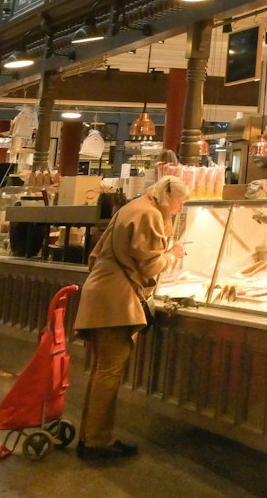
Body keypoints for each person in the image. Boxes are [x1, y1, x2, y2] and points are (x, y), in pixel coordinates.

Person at [73, 175, 191, 460]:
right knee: (109, 372)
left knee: (101, 370)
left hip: (102, 293)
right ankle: (97, 443)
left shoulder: (133, 207)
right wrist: (174, 254)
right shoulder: (149, 214)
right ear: (168, 196)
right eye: (180, 202)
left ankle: (89, 437)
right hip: (116, 301)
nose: (180, 208)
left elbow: (96, 254)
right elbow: (150, 266)